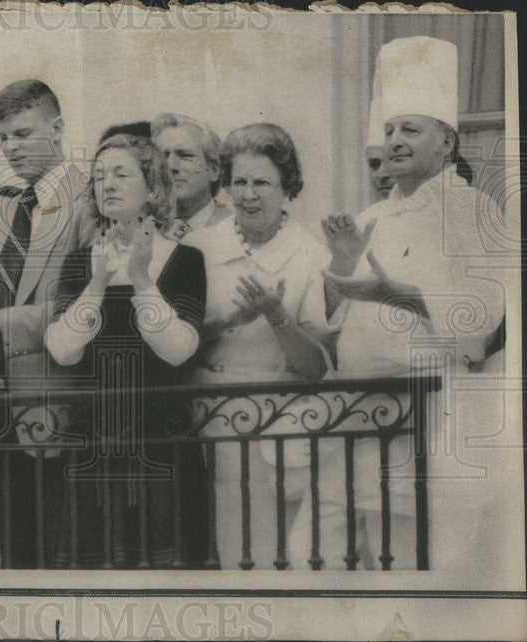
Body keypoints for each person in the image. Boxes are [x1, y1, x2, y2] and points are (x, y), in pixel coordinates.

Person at [321, 36, 506, 571]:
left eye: (410, 129)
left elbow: (482, 323)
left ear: (447, 142)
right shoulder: (373, 216)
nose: (394, 142)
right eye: (388, 130)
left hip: (440, 419)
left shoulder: (472, 211)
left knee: (431, 572)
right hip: (371, 422)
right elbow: (343, 322)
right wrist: (345, 264)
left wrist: (400, 295)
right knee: (379, 571)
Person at [45, 134, 208, 568]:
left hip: (160, 442)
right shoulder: (81, 262)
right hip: (92, 443)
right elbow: (62, 350)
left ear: (153, 188)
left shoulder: (186, 259)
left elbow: (179, 351)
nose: (107, 185)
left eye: (121, 174)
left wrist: (141, 280)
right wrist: (97, 285)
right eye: (99, 176)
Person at [0, 79, 99, 568]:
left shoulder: (90, 200)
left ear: (58, 128)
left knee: (57, 558)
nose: (10, 149)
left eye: (22, 134)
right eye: (3, 139)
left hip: (60, 402)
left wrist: (0, 321)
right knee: (14, 556)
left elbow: (83, 303)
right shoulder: (2, 206)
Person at [188, 123, 332, 570]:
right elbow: (176, 344)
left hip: (277, 431)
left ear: (288, 187)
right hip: (201, 424)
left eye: (263, 183)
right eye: (239, 182)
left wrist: (276, 316)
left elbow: (317, 367)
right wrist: (228, 321)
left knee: (268, 556)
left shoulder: (312, 255)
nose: (248, 195)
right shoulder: (197, 248)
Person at [150, 113, 234, 243]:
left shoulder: (235, 231)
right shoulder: (143, 233)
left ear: (213, 170)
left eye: (185, 156)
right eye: (162, 157)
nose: (171, 166)